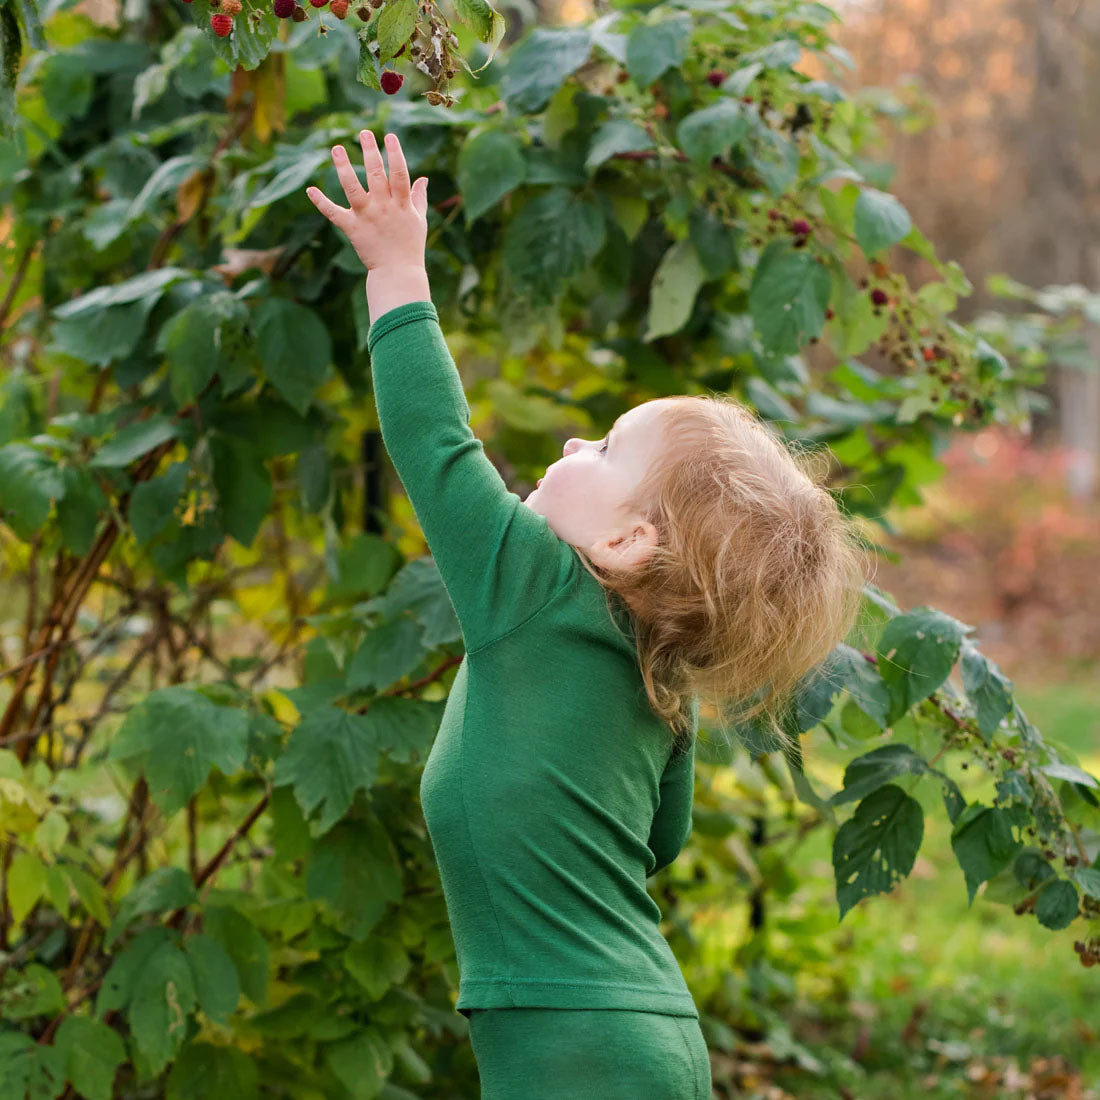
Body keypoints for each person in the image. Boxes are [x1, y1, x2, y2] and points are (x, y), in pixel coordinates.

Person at [307, 130, 868, 1099]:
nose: (572, 438)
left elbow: (433, 442)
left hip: (572, 1043)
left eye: (602, 446)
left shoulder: (530, 585)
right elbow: (660, 839)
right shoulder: (663, 678)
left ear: (623, 543)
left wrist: (397, 271)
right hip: (645, 1031)